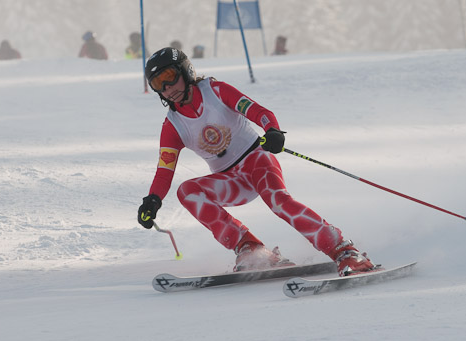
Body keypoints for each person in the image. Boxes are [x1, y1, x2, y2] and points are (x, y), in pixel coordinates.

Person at [137, 47, 375, 277]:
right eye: (158, 84)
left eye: (169, 77)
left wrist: (272, 131)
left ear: (185, 71)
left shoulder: (215, 91)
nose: (168, 88)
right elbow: (164, 172)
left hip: (256, 160)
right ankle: (251, 249)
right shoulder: (173, 126)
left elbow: (259, 111)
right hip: (231, 180)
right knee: (187, 191)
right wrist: (153, 200)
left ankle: (344, 250)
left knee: (278, 200)